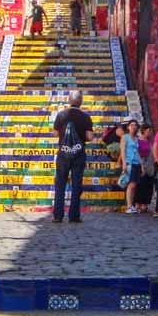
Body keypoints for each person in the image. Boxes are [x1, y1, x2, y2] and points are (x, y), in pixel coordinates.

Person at [52, 90, 94, 223]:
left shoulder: (61, 115)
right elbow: (89, 137)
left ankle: (58, 216)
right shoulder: (86, 117)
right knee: (76, 185)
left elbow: (55, 133)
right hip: (78, 154)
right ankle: (74, 216)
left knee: (60, 184)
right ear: (81, 102)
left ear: (69, 101)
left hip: (63, 154)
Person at [121, 120, 143, 213]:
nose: (134, 127)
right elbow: (123, 150)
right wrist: (124, 163)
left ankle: (132, 205)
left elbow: (138, 152)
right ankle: (129, 206)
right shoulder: (125, 137)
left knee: (135, 185)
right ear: (128, 127)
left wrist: (142, 165)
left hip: (137, 162)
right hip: (129, 162)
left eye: (135, 125)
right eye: (132, 125)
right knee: (131, 184)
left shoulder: (136, 138)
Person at [135, 123, 156, 213]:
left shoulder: (150, 142)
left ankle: (145, 204)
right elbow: (136, 153)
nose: (150, 133)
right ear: (143, 131)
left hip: (149, 165)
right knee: (140, 185)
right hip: (140, 164)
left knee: (149, 185)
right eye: (148, 131)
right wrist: (141, 164)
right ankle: (138, 204)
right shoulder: (137, 141)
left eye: (150, 131)